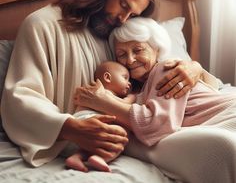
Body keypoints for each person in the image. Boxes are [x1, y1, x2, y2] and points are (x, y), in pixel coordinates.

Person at [1, 0, 205, 168]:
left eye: (132, 14)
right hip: (76, 136)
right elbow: (20, 97)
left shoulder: (118, 35)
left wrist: (194, 68)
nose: (123, 18)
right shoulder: (42, 25)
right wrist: (72, 128)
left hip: (132, 130)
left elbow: (155, 68)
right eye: (123, 5)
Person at [74, 17, 236, 182]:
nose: (129, 60)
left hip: (230, 115)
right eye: (122, 54)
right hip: (218, 121)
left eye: (138, 50)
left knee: (224, 148)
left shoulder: (165, 69)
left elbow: (155, 124)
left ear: (156, 49)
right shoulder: (136, 90)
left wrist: (102, 101)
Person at [66, 61, 134, 172]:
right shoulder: (101, 92)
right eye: (125, 78)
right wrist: (133, 96)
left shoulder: (91, 89)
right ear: (107, 77)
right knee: (122, 135)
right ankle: (101, 157)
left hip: (78, 121)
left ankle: (76, 157)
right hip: (92, 119)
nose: (129, 83)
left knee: (89, 144)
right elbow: (128, 105)